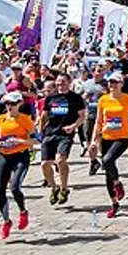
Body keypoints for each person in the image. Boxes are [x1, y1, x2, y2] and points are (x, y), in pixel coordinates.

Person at [89, 74, 128, 218]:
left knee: (107, 161)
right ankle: (114, 203)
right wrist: (93, 140)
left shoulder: (127, 99)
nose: (113, 85)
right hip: (106, 137)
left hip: (122, 138)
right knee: (107, 172)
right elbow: (99, 121)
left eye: (116, 82)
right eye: (111, 82)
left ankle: (118, 183)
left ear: (121, 84)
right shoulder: (103, 100)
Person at [0, 91, 34, 240]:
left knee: (15, 187)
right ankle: (6, 222)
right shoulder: (0, 119)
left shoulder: (25, 120)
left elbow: (36, 140)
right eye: (7, 103)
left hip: (20, 156)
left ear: (19, 104)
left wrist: (20, 141)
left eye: (13, 104)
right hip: (4, 156)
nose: (9, 106)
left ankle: (23, 211)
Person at [38, 73, 85, 207]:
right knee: (45, 164)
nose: (60, 84)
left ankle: (64, 188)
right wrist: (40, 132)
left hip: (65, 133)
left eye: (63, 82)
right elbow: (44, 116)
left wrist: (74, 126)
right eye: (58, 82)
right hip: (49, 133)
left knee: (60, 160)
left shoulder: (76, 98)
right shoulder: (50, 98)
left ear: (69, 82)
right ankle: (54, 188)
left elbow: (82, 116)